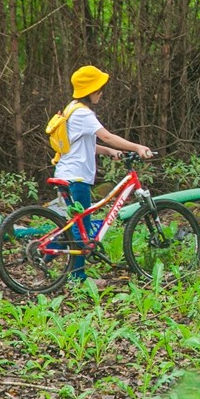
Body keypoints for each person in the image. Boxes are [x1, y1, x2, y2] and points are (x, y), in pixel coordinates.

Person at [54, 65, 153, 287]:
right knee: (83, 228)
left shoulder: (72, 108)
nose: (101, 93)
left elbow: (85, 143)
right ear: (90, 91)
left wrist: (110, 152)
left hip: (66, 174)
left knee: (75, 226)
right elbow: (107, 136)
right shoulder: (83, 113)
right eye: (99, 89)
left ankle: (44, 257)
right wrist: (137, 147)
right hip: (76, 179)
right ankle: (77, 278)